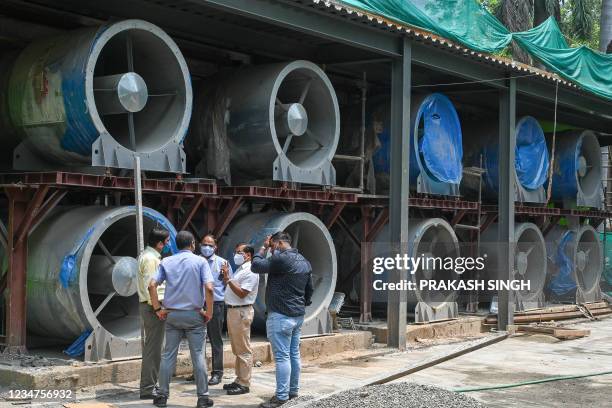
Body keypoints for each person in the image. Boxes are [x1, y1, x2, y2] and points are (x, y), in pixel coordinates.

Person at [148, 230, 215, 408]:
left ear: (176, 245)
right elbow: (209, 289)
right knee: (198, 356)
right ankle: (202, 398)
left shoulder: (167, 261)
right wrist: (209, 312)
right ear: (193, 244)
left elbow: (152, 285)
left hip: (172, 315)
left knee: (168, 355)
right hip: (194, 315)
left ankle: (162, 396)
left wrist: (157, 309)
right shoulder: (201, 262)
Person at [251, 231, 313, 408]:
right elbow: (310, 289)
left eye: (272, 246)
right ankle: (292, 391)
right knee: (294, 354)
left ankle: (281, 397)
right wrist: (301, 304)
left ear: (278, 244)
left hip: (280, 315)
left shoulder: (282, 259)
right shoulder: (304, 261)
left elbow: (255, 265)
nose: (272, 249)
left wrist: (262, 247)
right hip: (297, 315)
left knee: (282, 357)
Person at [137, 227, 170, 399]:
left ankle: (150, 385)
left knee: (154, 348)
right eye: (166, 242)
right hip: (152, 308)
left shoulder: (149, 256)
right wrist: (158, 308)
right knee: (154, 350)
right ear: (159, 243)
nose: (168, 245)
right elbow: (152, 286)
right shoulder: (151, 259)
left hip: (151, 307)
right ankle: (148, 389)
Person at [222, 243, 259, 396]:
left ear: (248, 255)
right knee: (237, 347)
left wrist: (229, 280)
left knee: (243, 348)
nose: (236, 254)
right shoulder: (241, 269)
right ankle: (239, 379)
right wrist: (228, 279)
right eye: (236, 251)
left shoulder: (250, 270)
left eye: (239, 252)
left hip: (241, 311)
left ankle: (244, 383)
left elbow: (243, 293)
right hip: (234, 311)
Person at [198, 234, 232, 386]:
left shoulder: (222, 263)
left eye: (210, 245)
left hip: (216, 304)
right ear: (199, 245)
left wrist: (226, 277)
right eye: (204, 244)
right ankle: (198, 371)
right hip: (197, 304)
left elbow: (229, 284)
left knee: (215, 340)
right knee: (197, 340)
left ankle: (217, 373)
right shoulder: (195, 261)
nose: (207, 247)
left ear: (215, 247)